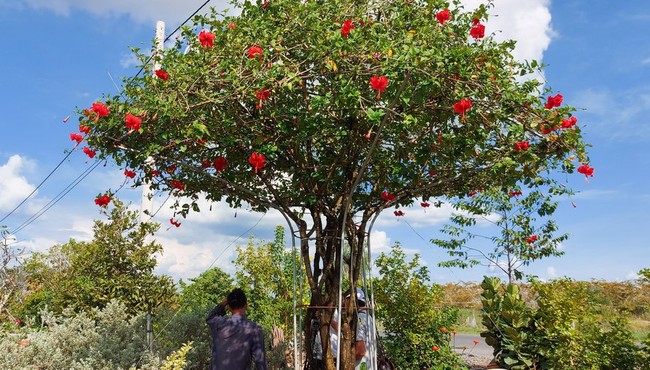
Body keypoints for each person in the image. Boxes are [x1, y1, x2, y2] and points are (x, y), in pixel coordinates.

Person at [206, 288, 267, 370]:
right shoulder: (254, 329)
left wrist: (223, 304)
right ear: (246, 305)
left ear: (229, 307)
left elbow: (210, 317)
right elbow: (260, 362)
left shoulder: (218, 323)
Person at [330, 288, 375, 370]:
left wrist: (344, 360)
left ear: (351, 301)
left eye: (345, 302)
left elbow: (360, 351)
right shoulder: (368, 317)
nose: (344, 305)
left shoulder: (359, 319)